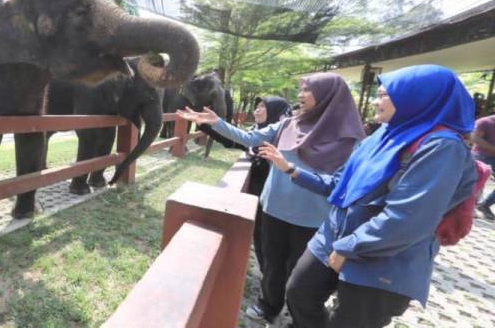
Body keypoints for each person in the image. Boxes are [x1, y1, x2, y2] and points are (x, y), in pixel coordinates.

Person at [259, 65, 477, 328]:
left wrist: (349, 248)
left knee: (352, 321)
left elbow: (408, 218)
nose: (375, 100)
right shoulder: (382, 135)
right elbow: (341, 184)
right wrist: (292, 170)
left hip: (383, 255)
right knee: (299, 293)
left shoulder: (441, 147)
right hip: (335, 234)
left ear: (416, 96)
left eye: (384, 94)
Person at [178, 73, 365, 326]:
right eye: (300, 89)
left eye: (307, 90)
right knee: (272, 262)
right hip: (274, 209)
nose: (300, 95)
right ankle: (268, 306)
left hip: (312, 219)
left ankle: (295, 312)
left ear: (327, 96)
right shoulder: (288, 124)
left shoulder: (350, 141)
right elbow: (249, 138)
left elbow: (337, 186)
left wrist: (288, 167)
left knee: (300, 273)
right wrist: (215, 122)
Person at [200, 96, 292, 271]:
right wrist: (205, 124)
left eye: (263, 107)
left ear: (275, 112)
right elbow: (234, 141)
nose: (256, 110)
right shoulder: (257, 132)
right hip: (261, 201)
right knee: (262, 241)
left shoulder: (279, 139)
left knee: (271, 245)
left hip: (276, 204)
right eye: (256, 106)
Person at [472, 114, 495, 220]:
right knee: (476, 183)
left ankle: (484, 205)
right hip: (481, 156)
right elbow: (474, 138)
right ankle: (469, 208)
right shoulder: (485, 122)